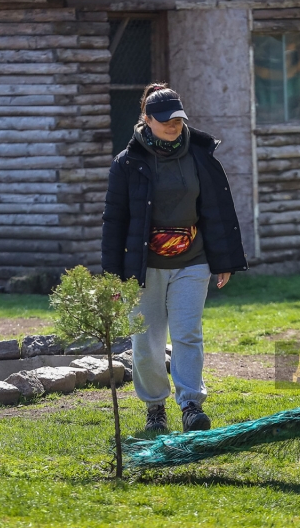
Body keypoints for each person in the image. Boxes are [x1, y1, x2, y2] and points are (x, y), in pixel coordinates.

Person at [102, 83, 247, 432]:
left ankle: (191, 406)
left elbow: (215, 210)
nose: (173, 125)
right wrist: (112, 277)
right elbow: (114, 221)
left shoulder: (200, 156)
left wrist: (223, 260)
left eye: (178, 119)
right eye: (165, 120)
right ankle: (155, 408)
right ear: (147, 119)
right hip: (143, 266)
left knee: (187, 334)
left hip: (193, 260)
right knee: (147, 342)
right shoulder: (127, 163)